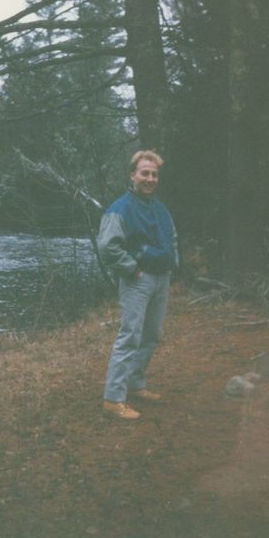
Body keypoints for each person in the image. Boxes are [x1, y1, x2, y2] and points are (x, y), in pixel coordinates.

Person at [97, 150, 178, 420]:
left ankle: (135, 384)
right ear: (133, 175)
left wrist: (171, 263)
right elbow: (108, 248)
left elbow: (171, 238)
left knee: (152, 334)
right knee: (130, 335)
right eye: (144, 173)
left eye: (154, 174)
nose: (150, 178)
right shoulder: (120, 208)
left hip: (161, 278)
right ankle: (113, 399)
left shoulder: (159, 207)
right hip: (138, 280)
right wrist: (132, 269)